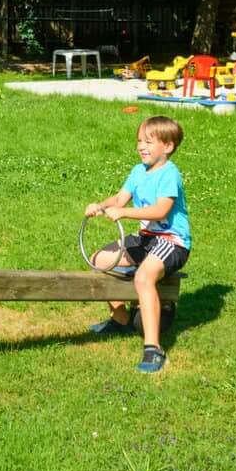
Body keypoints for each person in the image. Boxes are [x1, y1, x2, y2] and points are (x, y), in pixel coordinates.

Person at [83, 115, 191, 374]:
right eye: (139, 141)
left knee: (143, 277)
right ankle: (120, 320)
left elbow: (160, 211)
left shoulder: (169, 174)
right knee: (99, 260)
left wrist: (125, 213)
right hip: (147, 239)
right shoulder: (138, 171)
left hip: (171, 241)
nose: (141, 146)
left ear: (168, 146)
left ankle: (153, 348)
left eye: (148, 142)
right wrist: (100, 206)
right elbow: (120, 199)